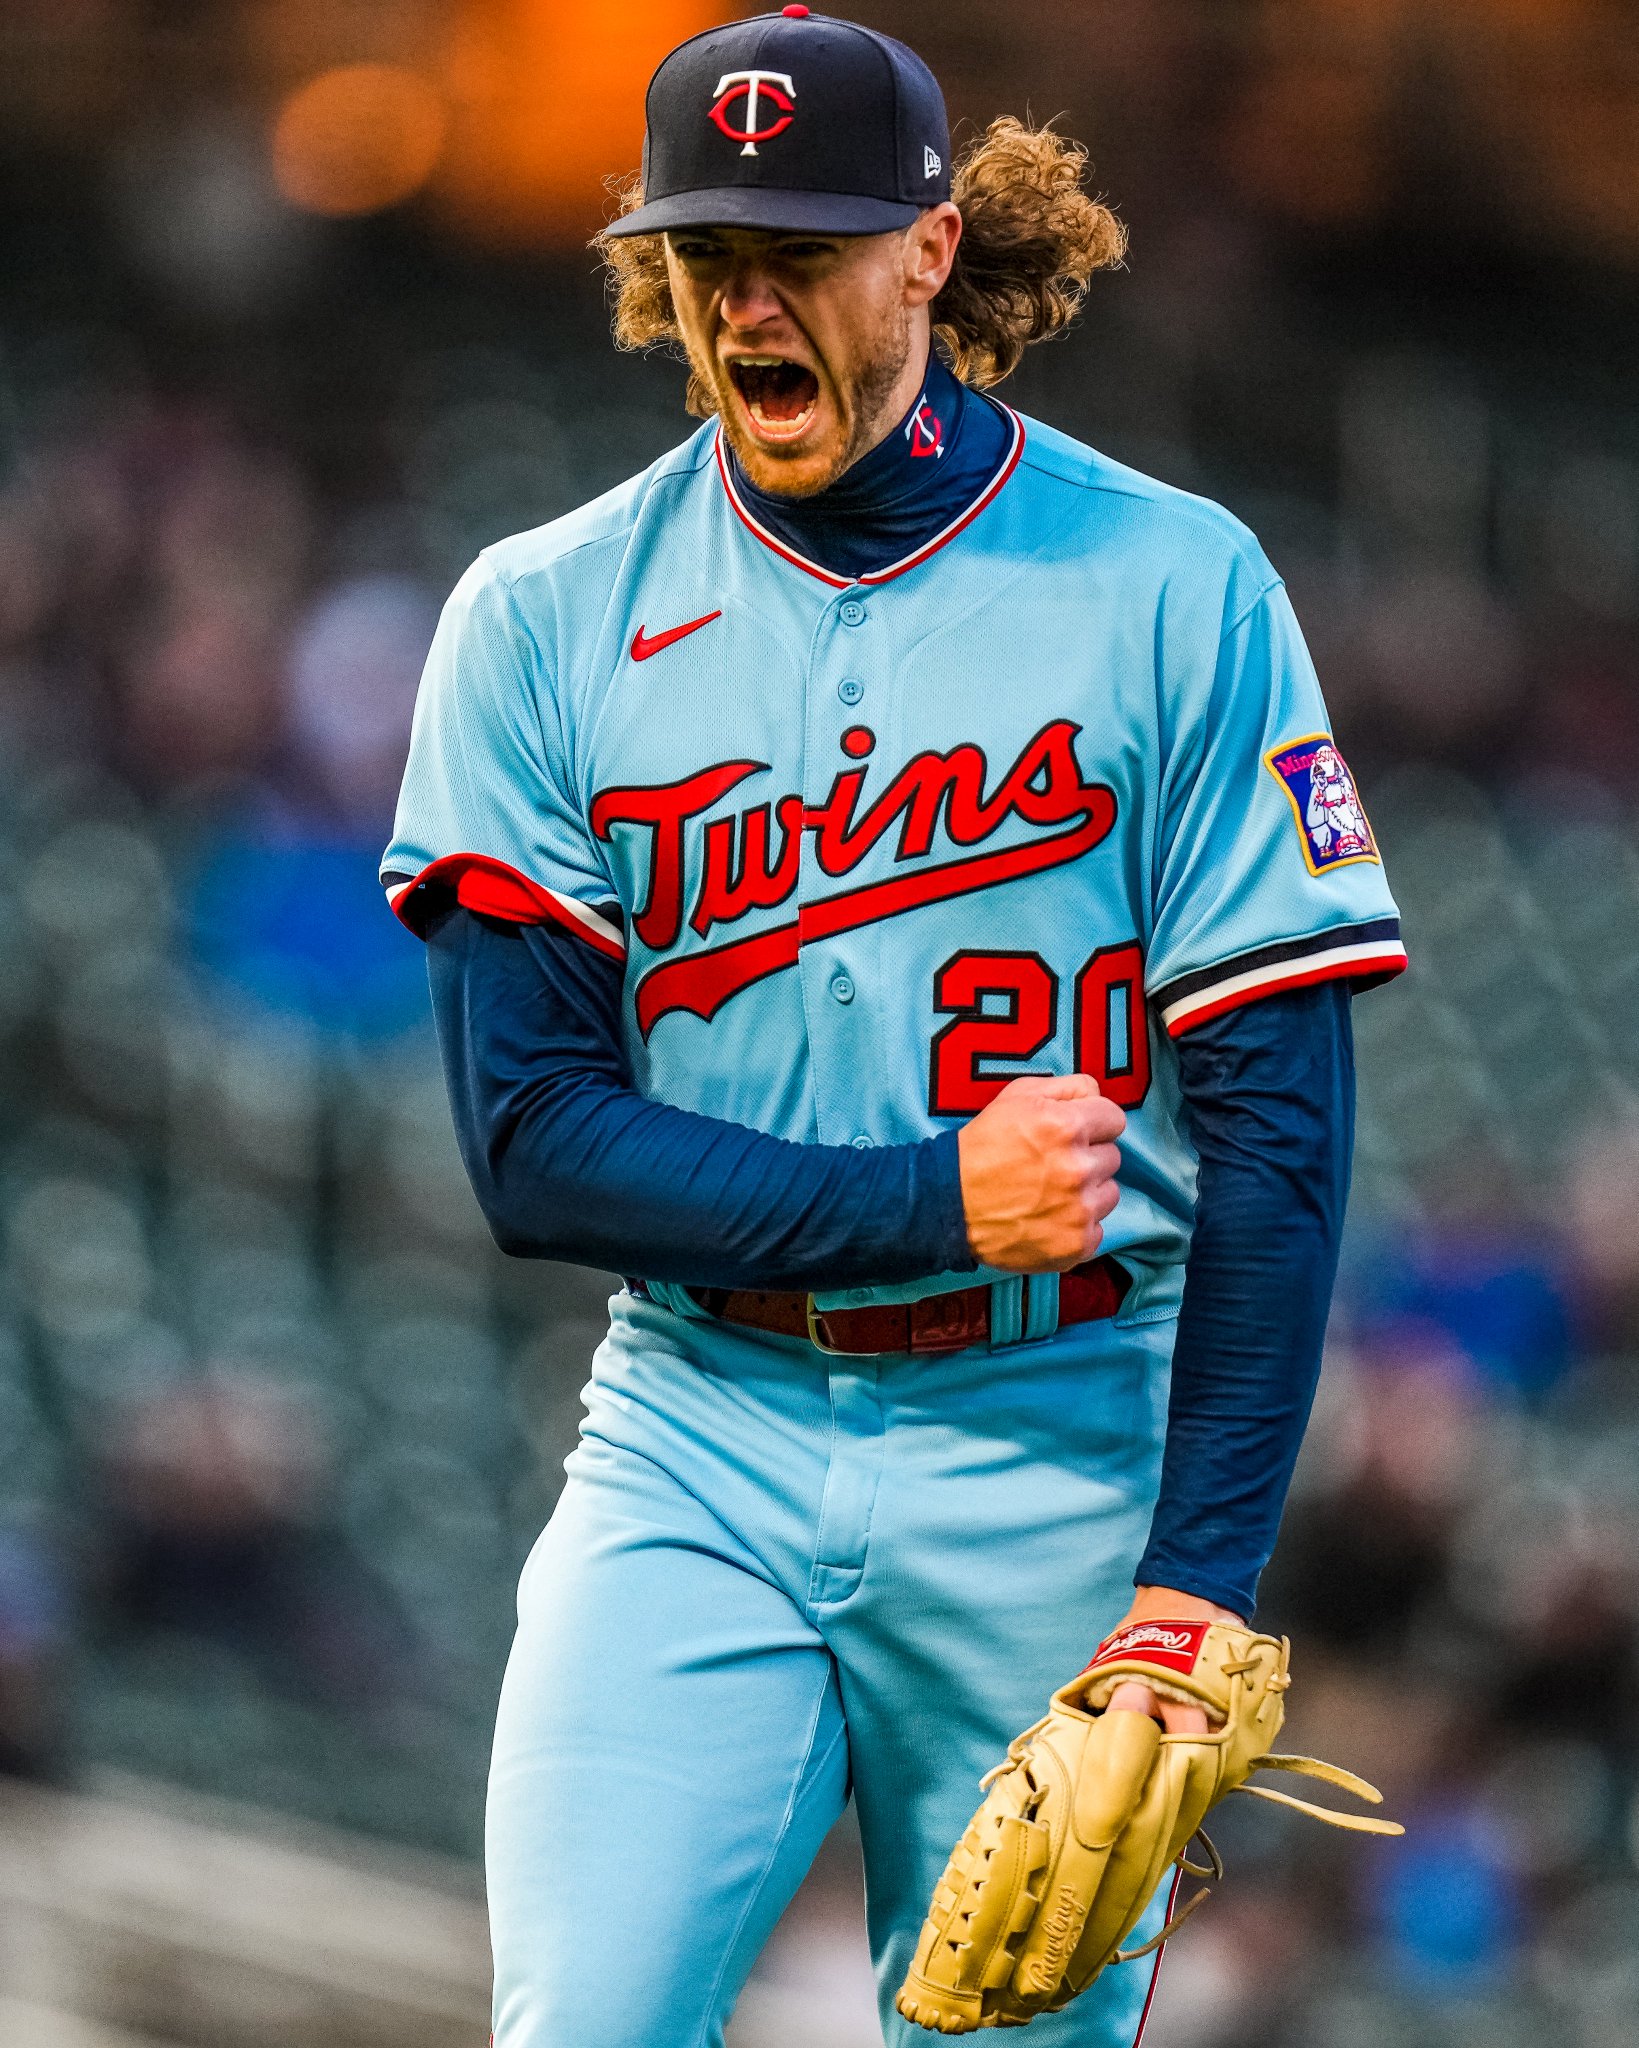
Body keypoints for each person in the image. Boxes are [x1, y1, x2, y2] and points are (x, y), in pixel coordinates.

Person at [382, 11, 1406, 2044]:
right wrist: (937, 1192)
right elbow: (532, 1148)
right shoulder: (543, 614)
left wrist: (1192, 1585)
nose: (747, 302)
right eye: (705, 256)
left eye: (806, 250)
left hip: (1058, 1443)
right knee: (576, 2018)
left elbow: (1282, 1132)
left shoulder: (1171, 584)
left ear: (931, 251)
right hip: (696, 1432)